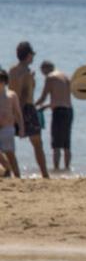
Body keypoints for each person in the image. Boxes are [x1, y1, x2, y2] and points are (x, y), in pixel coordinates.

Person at [8, 42, 48, 178]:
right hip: (26, 108)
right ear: (28, 55)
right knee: (37, 143)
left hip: (11, 105)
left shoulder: (12, 70)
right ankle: (45, 174)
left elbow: (11, 90)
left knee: (5, 141)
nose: (33, 58)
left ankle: (13, 172)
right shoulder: (27, 72)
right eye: (32, 55)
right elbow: (24, 93)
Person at [34, 61, 73, 171]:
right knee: (66, 144)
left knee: (56, 144)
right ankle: (67, 168)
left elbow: (43, 97)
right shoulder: (65, 76)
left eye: (43, 72)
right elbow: (62, 99)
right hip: (69, 111)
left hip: (59, 113)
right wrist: (46, 106)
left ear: (45, 69)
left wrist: (32, 106)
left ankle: (56, 168)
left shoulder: (50, 77)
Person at [0, 69, 23, 178]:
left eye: (1, 80)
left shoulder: (11, 95)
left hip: (8, 127)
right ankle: (7, 169)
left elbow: (18, 113)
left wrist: (21, 127)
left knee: (10, 153)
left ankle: (17, 175)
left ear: (5, 81)